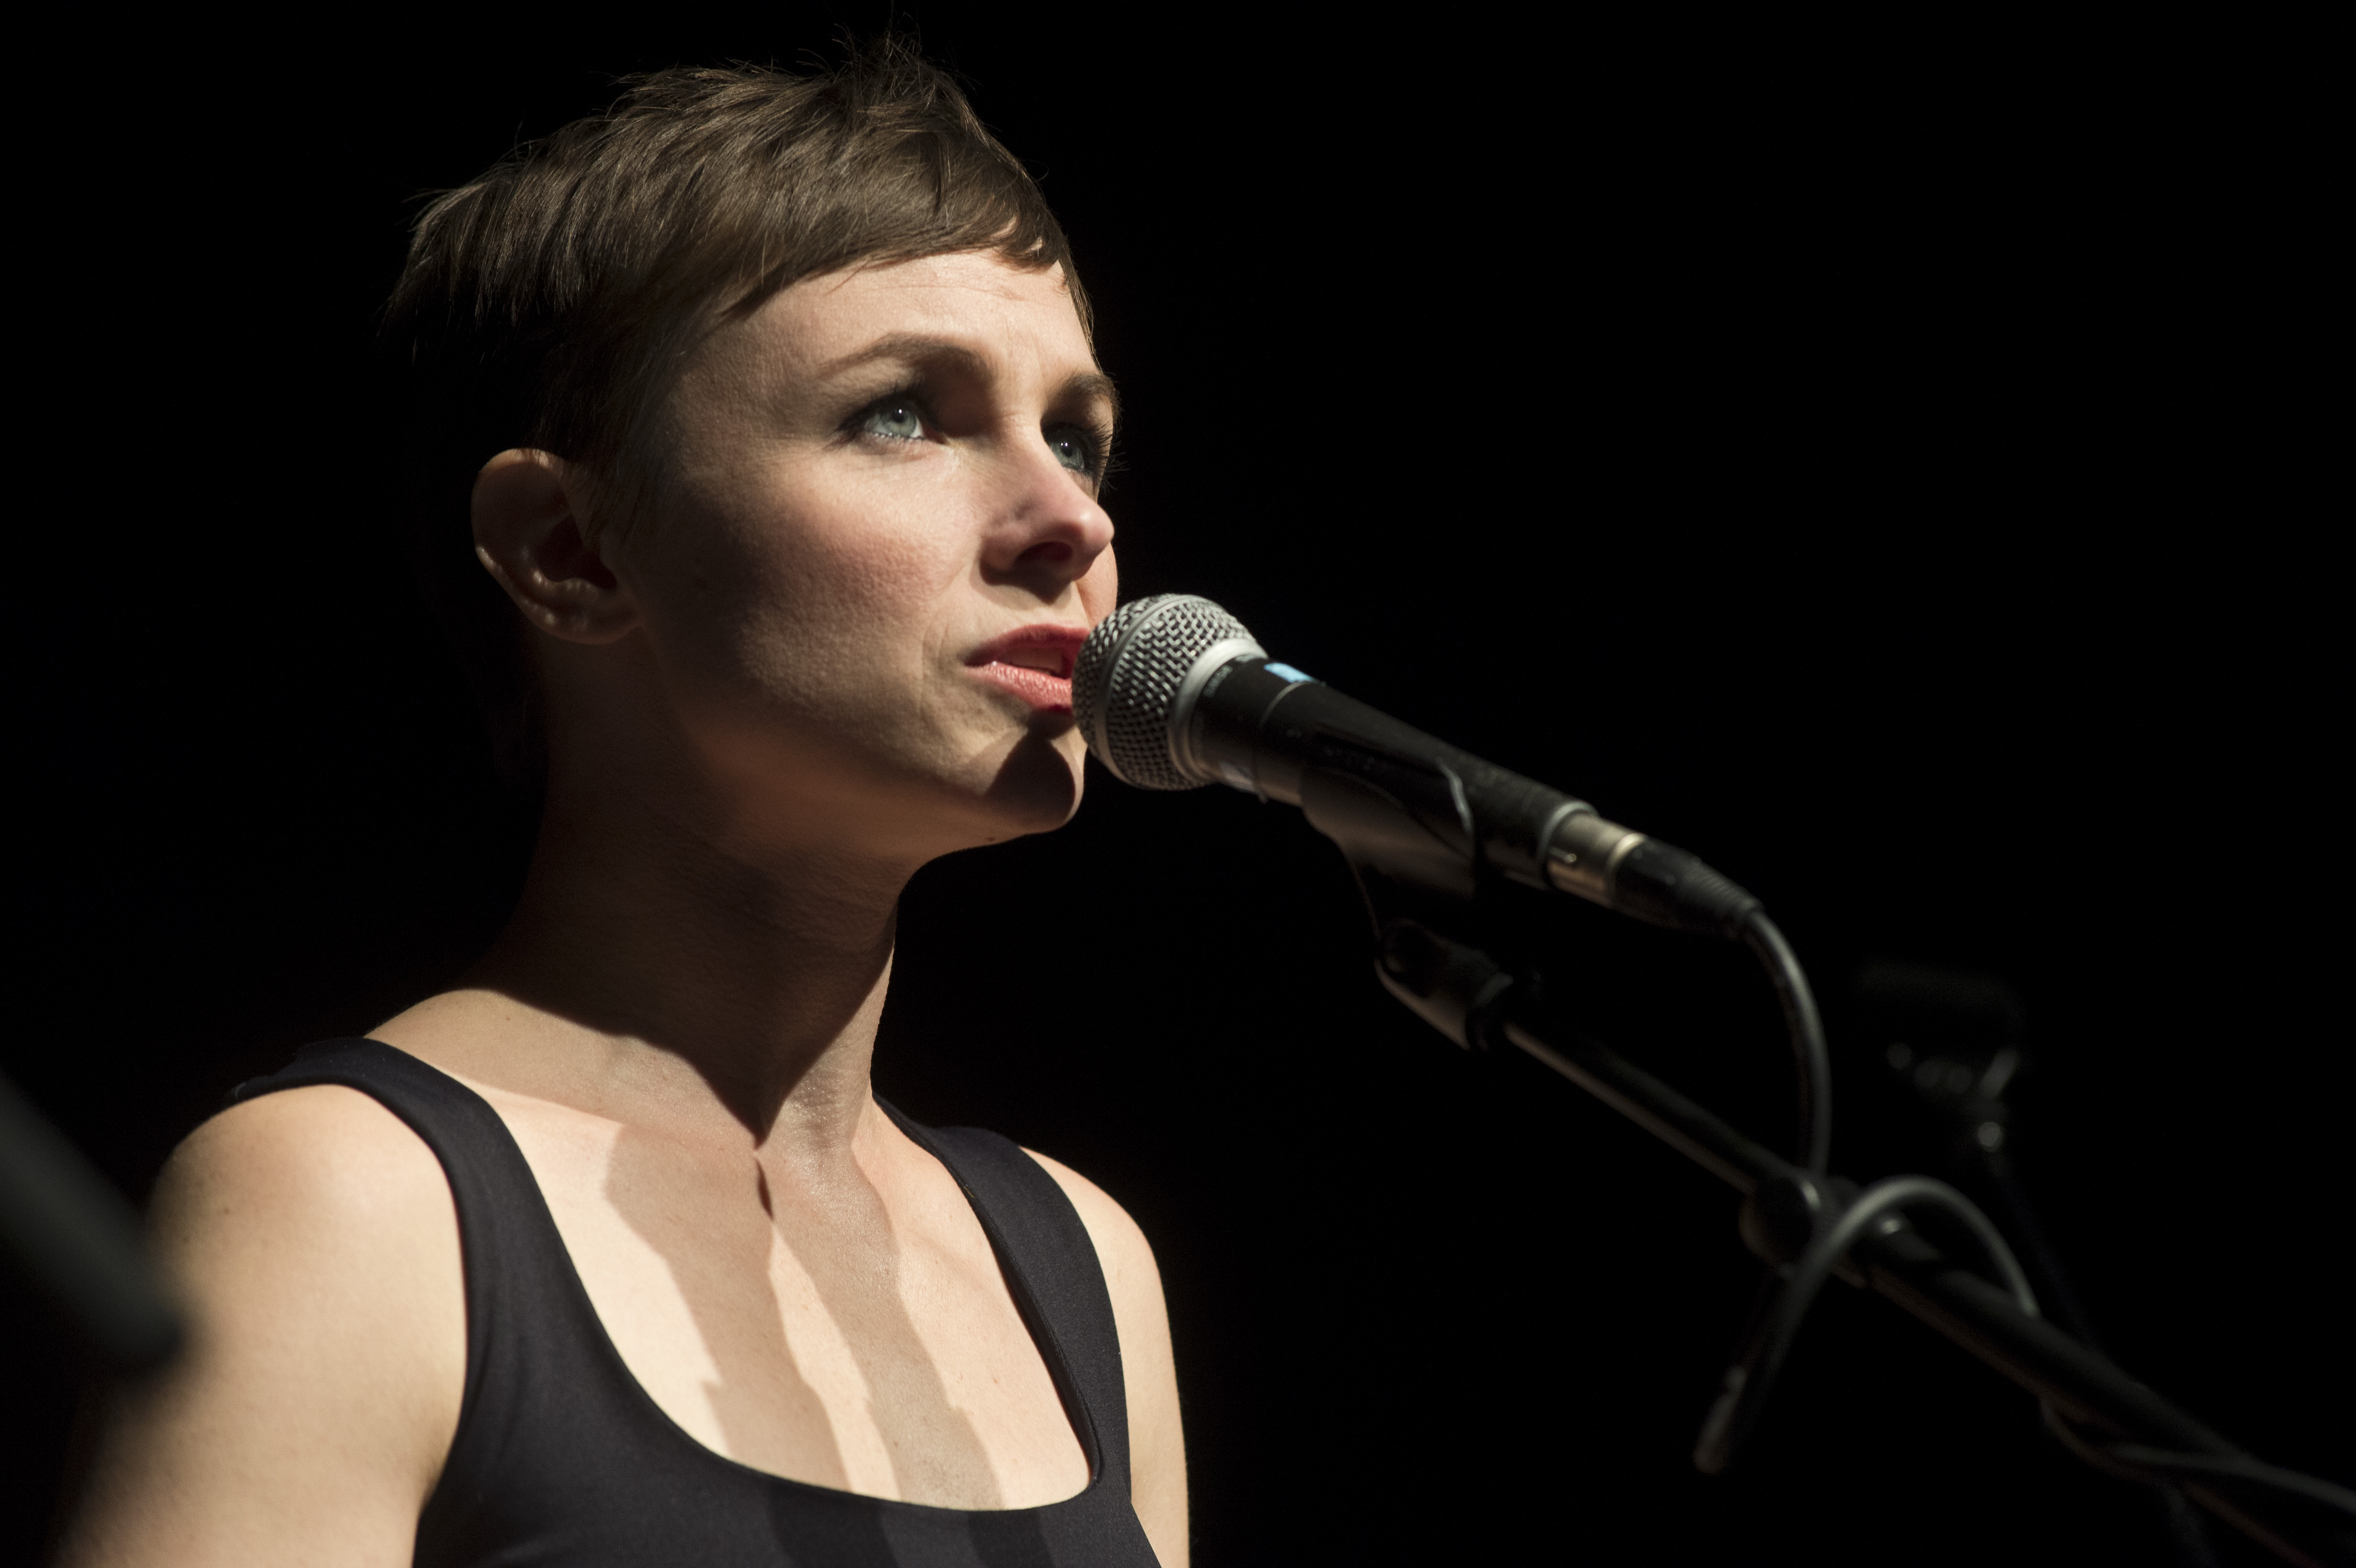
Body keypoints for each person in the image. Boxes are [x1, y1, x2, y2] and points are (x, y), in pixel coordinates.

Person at [60, 41, 1185, 1568]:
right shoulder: (353, 1203)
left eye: (1077, 433)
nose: (1074, 518)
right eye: (905, 414)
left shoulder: (1080, 1268)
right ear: (569, 552)